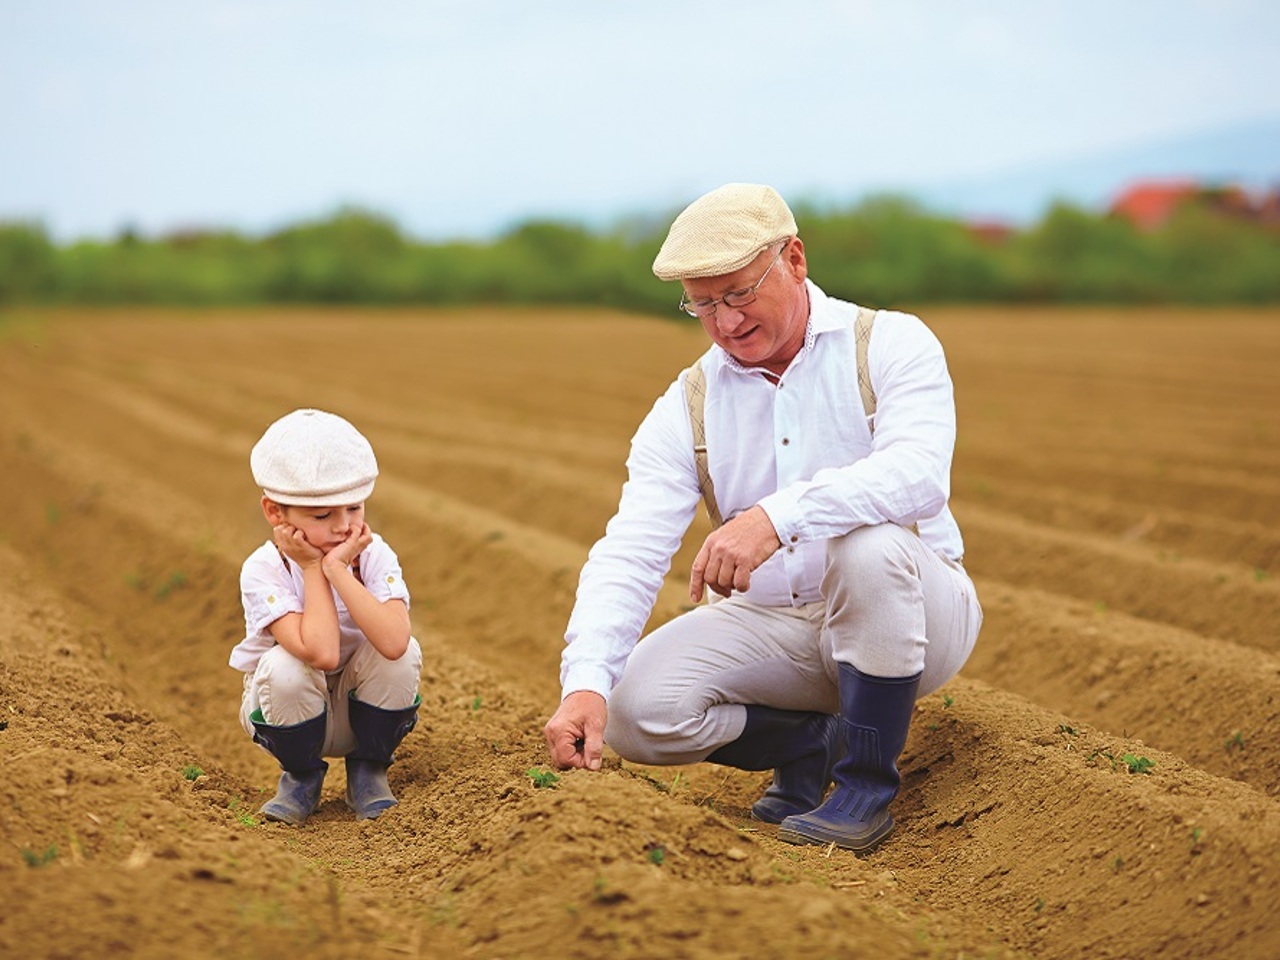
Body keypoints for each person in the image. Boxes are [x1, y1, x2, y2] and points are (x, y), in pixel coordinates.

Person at [542, 183, 983, 853]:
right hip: (778, 625)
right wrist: (584, 683)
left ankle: (863, 787)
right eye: (703, 303)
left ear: (796, 260)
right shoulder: (688, 403)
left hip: (917, 613)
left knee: (867, 547)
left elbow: (918, 475)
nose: (725, 322)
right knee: (635, 707)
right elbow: (631, 548)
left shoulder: (888, 343)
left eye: (741, 293)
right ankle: (812, 745)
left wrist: (777, 517)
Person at [231, 408, 423, 825]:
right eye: (322, 516)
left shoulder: (372, 555)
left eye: (354, 509)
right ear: (274, 512)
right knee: (284, 665)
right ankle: (301, 777)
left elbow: (393, 641)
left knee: (403, 654)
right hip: (293, 713)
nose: (343, 527)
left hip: (362, 709)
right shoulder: (263, 569)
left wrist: (339, 570)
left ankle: (368, 770)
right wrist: (314, 569)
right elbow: (320, 653)